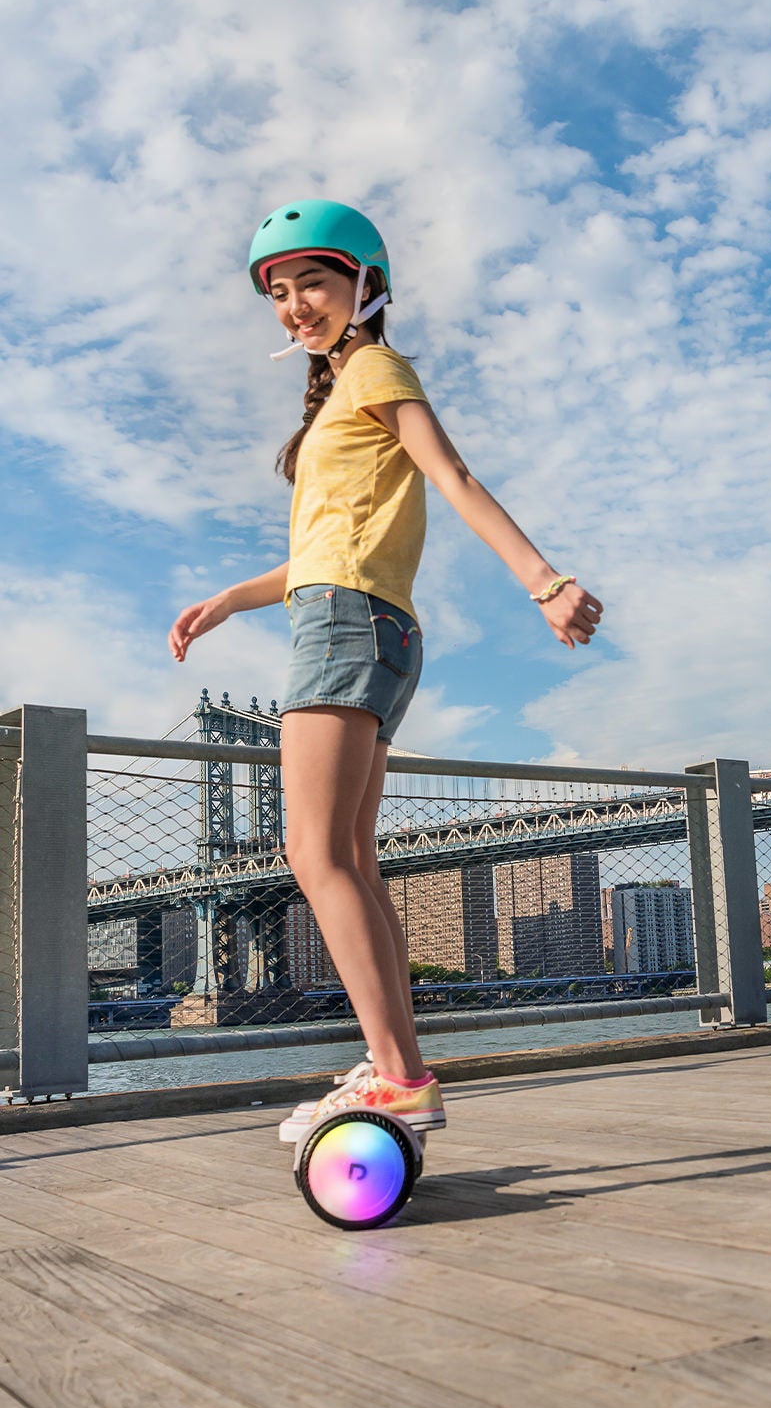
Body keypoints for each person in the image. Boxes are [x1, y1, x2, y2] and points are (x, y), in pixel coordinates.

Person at [169, 200, 602, 1142]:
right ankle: (396, 1063)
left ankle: (399, 1077)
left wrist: (544, 581)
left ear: (366, 284)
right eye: (279, 294)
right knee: (352, 861)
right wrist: (229, 601)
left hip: (345, 625)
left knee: (313, 855)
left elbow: (453, 477)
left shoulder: (373, 368)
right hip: (369, 620)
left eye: (312, 283)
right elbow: (320, 552)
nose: (294, 306)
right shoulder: (339, 394)